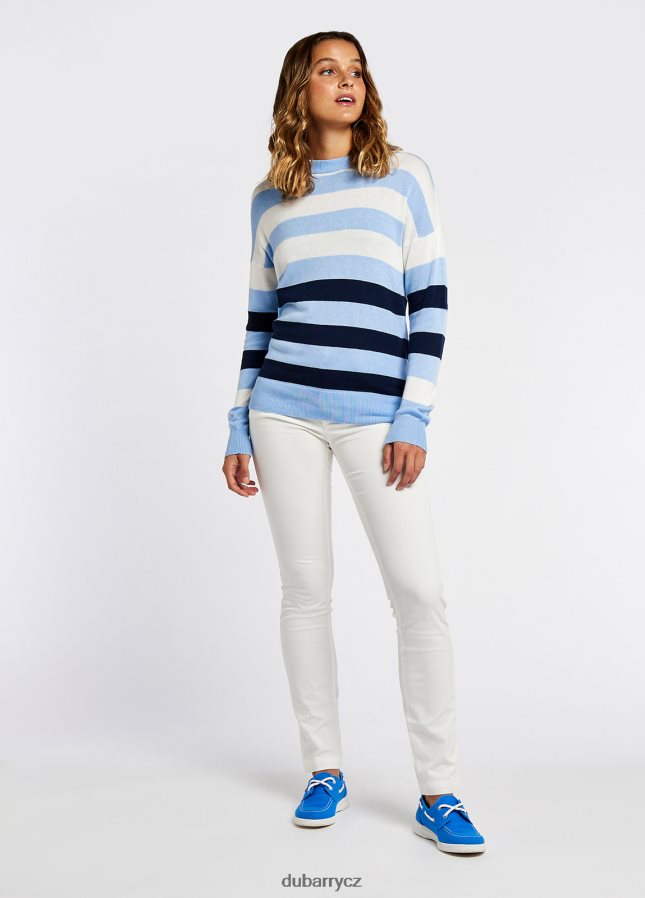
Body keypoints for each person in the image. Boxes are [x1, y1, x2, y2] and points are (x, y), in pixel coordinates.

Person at [222, 30, 485, 854]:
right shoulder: (270, 198)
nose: (347, 81)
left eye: (357, 69)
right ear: (297, 89)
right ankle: (324, 769)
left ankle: (438, 790)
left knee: (418, 592)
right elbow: (260, 320)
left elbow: (429, 299)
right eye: (327, 70)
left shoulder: (402, 176)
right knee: (305, 591)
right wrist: (237, 421)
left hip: (377, 415)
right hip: (282, 411)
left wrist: (413, 416)